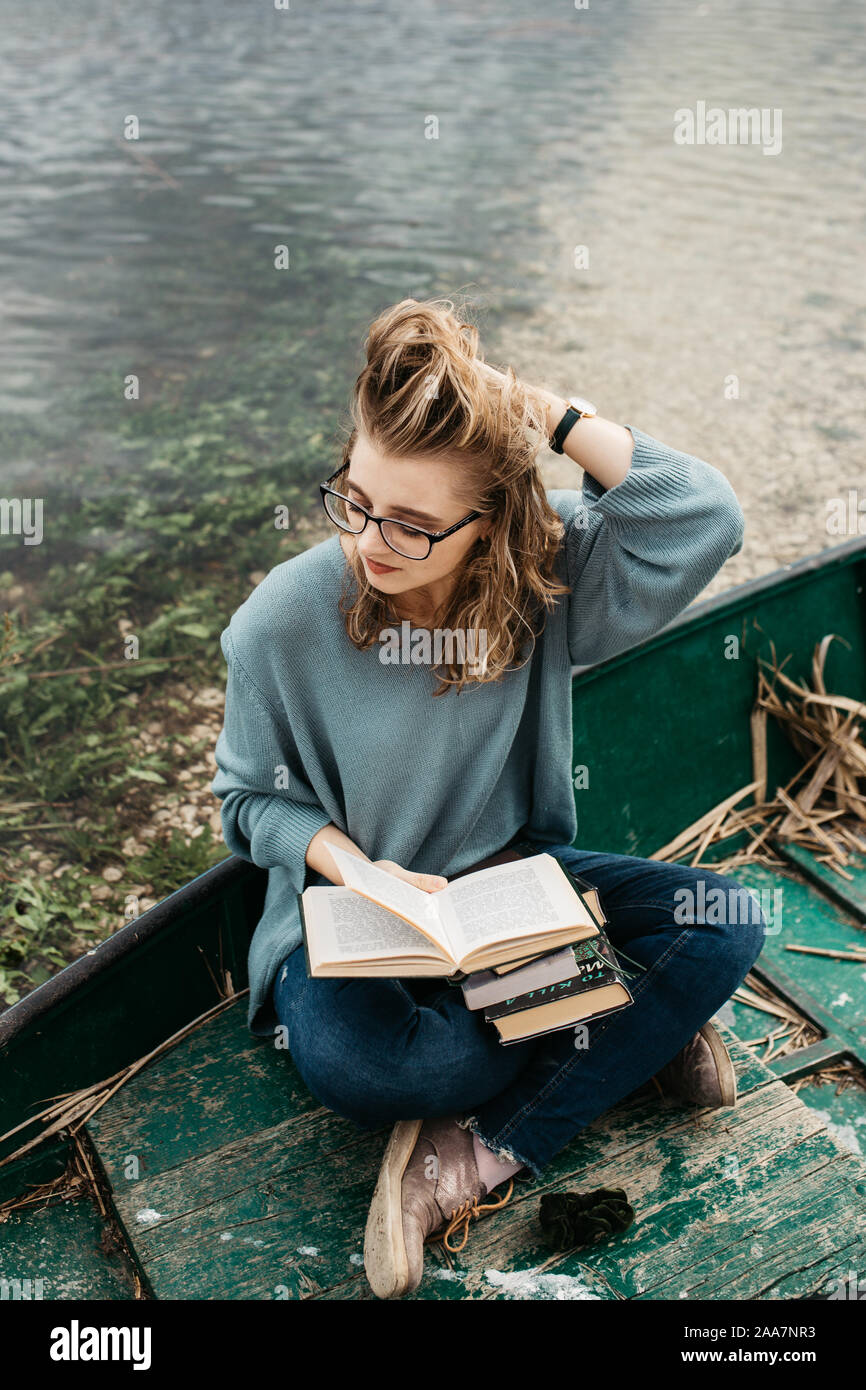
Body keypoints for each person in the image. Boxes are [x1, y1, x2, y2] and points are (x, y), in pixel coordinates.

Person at [211, 296, 766, 1300]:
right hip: (348, 921)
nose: (373, 542)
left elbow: (704, 516)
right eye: (356, 498)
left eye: (416, 525)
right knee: (393, 1071)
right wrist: (360, 868)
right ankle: (617, 1025)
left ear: (493, 518)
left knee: (727, 919)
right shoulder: (277, 625)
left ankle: (470, 1157)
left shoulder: (545, 571)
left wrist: (536, 412)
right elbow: (247, 804)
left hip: (508, 896)